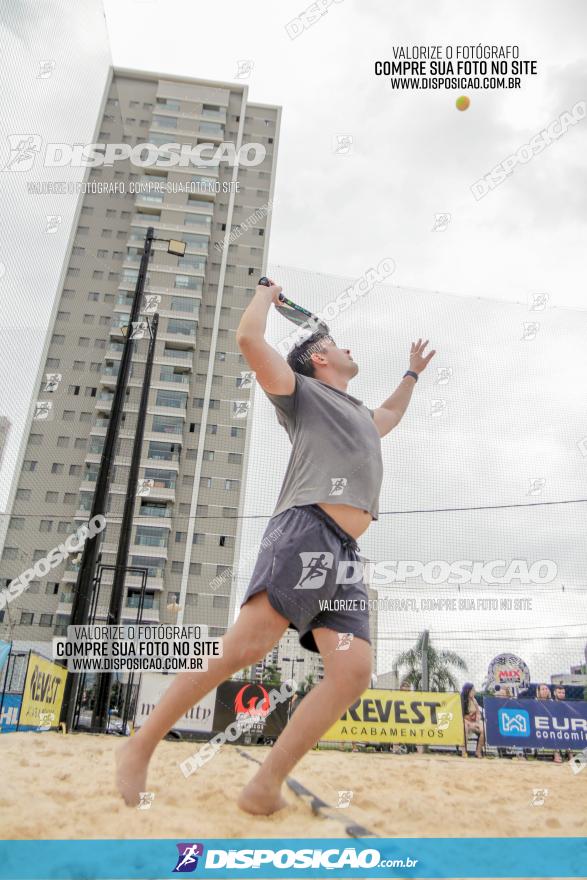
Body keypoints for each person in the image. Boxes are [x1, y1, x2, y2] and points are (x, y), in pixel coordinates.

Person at [115, 277, 435, 814]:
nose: (348, 348)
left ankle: (264, 785)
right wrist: (267, 294)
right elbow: (248, 339)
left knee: (352, 672)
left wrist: (411, 374)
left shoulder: (357, 412)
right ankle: (139, 745)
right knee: (244, 649)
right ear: (317, 357)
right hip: (306, 530)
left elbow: (392, 416)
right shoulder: (301, 394)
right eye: (339, 345)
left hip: (344, 555)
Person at [460, 683, 485, 758]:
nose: (474, 692)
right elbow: (460, 716)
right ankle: (464, 751)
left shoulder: (474, 700)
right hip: (465, 722)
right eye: (473, 690)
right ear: (468, 691)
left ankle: (478, 751)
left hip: (474, 722)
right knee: (465, 727)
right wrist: (469, 723)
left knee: (483, 730)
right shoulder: (461, 701)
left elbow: (478, 713)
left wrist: (478, 718)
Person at [552, 685, 571, 764]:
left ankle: (570, 755)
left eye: (563, 693)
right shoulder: (551, 703)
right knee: (553, 732)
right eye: (559, 692)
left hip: (565, 726)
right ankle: (556, 754)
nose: (561, 694)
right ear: (555, 693)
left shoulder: (567, 705)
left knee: (569, 731)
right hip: (553, 726)